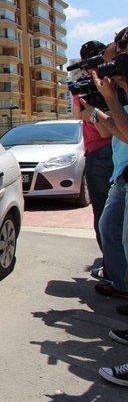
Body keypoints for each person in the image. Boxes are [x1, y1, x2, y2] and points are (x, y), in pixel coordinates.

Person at [72, 41, 114, 262]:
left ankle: (111, 263)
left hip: (99, 151)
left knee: (103, 210)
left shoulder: (86, 85)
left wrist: (93, 110)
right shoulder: (113, 79)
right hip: (116, 147)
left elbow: (78, 115)